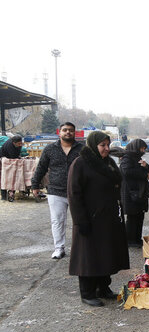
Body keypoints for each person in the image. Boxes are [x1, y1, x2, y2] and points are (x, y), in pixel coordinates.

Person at [67, 131, 130, 307]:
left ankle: (103, 288)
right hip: (90, 219)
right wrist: (81, 221)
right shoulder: (80, 164)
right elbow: (74, 194)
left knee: (106, 254)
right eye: (103, 145)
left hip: (108, 219)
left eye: (108, 145)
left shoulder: (108, 163)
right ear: (93, 145)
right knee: (88, 256)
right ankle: (87, 292)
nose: (106, 149)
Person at [31, 122, 83, 259]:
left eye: (71, 130)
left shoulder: (82, 149)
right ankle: (59, 248)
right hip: (55, 191)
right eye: (65, 130)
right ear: (59, 132)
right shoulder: (49, 149)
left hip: (78, 191)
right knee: (57, 221)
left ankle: (81, 248)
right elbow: (41, 168)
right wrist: (35, 185)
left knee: (80, 220)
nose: (68, 132)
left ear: (75, 133)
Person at [120, 139, 149, 247]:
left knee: (140, 215)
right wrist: (143, 174)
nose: (143, 151)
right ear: (136, 147)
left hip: (139, 192)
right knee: (132, 217)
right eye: (142, 148)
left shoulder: (136, 158)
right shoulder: (127, 157)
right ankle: (130, 240)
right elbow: (126, 172)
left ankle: (137, 238)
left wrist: (146, 167)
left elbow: (147, 169)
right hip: (131, 192)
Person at [1, 135, 24, 201]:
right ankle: (3, 196)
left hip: (12, 160)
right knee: (4, 178)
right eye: (19, 144)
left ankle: (12, 192)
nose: (20, 145)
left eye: (21, 143)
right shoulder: (9, 145)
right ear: (14, 143)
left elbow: (18, 153)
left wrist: (19, 157)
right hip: (5, 161)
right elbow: (13, 156)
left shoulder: (18, 145)